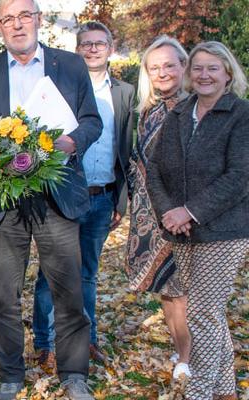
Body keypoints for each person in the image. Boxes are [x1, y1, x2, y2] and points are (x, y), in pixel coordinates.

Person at [0, 0, 102, 398]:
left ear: (38, 20)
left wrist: (71, 141)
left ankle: (74, 374)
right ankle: (10, 376)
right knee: (4, 296)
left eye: (25, 16)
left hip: (56, 200)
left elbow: (92, 120)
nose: (17, 24)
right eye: (8, 18)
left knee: (68, 293)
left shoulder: (69, 66)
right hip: (5, 204)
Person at [147, 40, 249, 400]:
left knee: (203, 314)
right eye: (198, 68)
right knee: (210, 313)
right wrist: (169, 213)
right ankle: (225, 392)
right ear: (190, 74)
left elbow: (239, 176)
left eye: (213, 68)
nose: (204, 75)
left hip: (225, 231)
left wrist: (190, 211)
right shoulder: (179, 113)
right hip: (182, 233)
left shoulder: (241, 114)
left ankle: (200, 392)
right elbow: (155, 169)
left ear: (228, 74)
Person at [31, 21, 136, 367]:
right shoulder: (62, 88)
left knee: (88, 272)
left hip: (101, 195)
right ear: (78, 50)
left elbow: (126, 149)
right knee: (51, 273)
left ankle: (85, 338)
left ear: (110, 47)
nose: (93, 49)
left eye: (99, 43)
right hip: (61, 194)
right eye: (86, 44)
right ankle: (45, 341)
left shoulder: (123, 92)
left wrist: (119, 199)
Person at [125, 35, 191, 380]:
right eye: (154, 67)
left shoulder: (196, 106)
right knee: (168, 292)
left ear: (184, 65)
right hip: (149, 216)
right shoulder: (149, 111)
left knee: (183, 294)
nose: (162, 72)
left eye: (169, 65)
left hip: (183, 216)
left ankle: (189, 359)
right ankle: (183, 353)